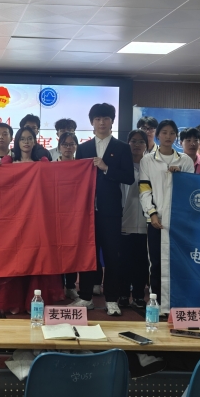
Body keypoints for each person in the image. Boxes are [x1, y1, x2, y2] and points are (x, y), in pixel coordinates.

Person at [0, 125, 62, 316]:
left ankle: (32, 302)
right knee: (15, 260)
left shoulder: (42, 163)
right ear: (17, 142)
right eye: (22, 139)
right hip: (14, 220)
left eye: (30, 138)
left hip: (36, 220)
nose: (26, 142)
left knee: (36, 260)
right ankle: (12, 301)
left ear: (35, 141)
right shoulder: (9, 162)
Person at [72, 103, 135, 316]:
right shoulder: (83, 148)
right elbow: (76, 179)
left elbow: (129, 177)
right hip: (87, 211)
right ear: (92, 122)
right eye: (97, 119)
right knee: (88, 253)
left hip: (111, 211)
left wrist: (106, 168)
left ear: (112, 121)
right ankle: (86, 297)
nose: (101, 122)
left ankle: (111, 299)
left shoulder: (122, 147)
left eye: (106, 118)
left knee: (112, 255)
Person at [139, 119, 194, 306]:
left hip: (179, 221)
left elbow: (190, 191)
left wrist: (180, 177)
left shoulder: (185, 160)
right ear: (157, 135)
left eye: (172, 133)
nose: (168, 136)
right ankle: (156, 301)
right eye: (164, 132)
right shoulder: (147, 160)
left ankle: (177, 300)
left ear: (176, 136)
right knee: (155, 261)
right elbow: (144, 189)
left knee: (178, 260)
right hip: (156, 220)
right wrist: (152, 213)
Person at [120, 129, 150, 309]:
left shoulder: (150, 165)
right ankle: (123, 294)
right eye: (133, 141)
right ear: (128, 143)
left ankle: (139, 295)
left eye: (141, 142)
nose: (137, 145)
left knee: (142, 262)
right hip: (125, 221)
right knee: (124, 261)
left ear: (146, 145)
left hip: (147, 222)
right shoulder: (121, 165)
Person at [55, 131, 80, 298]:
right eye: (65, 144)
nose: (68, 148)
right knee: (55, 251)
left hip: (74, 215)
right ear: (59, 147)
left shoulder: (81, 167)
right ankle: (57, 287)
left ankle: (71, 286)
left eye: (71, 144)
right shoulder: (50, 166)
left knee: (73, 250)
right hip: (54, 215)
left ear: (76, 147)